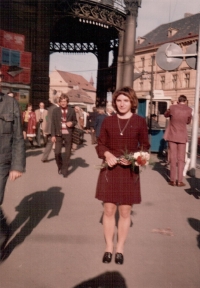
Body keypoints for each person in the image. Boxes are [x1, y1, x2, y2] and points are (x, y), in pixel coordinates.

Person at [95, 87, 150, 265]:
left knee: (125, 211)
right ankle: (108, 247)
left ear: (132, 102)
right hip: (110, 170)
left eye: (126, 100)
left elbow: (145, 147)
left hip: (129, 171)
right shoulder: (108, 121)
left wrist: (134, 158)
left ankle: (120, 248)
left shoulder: (140, 121)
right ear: (115, 102)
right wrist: (107, 155)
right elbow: (100, 144)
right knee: (109, 210)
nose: (122, 104)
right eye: (119, 100)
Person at [0, 71, 26, 260]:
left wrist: (17, 166)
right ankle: (2, 226)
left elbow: (18, 137)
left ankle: (1, 236)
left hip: (1, 162)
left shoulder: (10, 104)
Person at [163, 95, 192, 187]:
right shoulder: (189, 109)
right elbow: (188, 121)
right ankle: (179, 181)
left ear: (178, 101)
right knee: (181, 159)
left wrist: (172, 106)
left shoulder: (172, 108)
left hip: (172, 135)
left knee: (173, 158)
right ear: (185, 101)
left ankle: (172, 180)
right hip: (182, 136)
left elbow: (165, 115)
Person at [51, 94, 77, 177]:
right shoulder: (55, 111)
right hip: (58, 134)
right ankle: (60, 166)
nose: (63, 103)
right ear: (59, 102)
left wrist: (71, 123)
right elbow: (53, 123)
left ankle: (65, 169)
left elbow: (75, 121)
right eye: (61, 101)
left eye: (65, 101)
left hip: (68, 134)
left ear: (67, 102)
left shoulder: (72, 111)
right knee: (57, 153)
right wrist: (53, 135)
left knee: (67, 153)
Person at [41, 96, 59, 162]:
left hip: (49, 127)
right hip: (55, 128)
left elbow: (47, 118)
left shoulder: (50, 108)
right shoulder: (57, 108)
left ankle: (44, 157)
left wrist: (47, 125)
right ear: (58, 102)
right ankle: (58, 157)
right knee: (57, 142)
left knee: (49, 143)